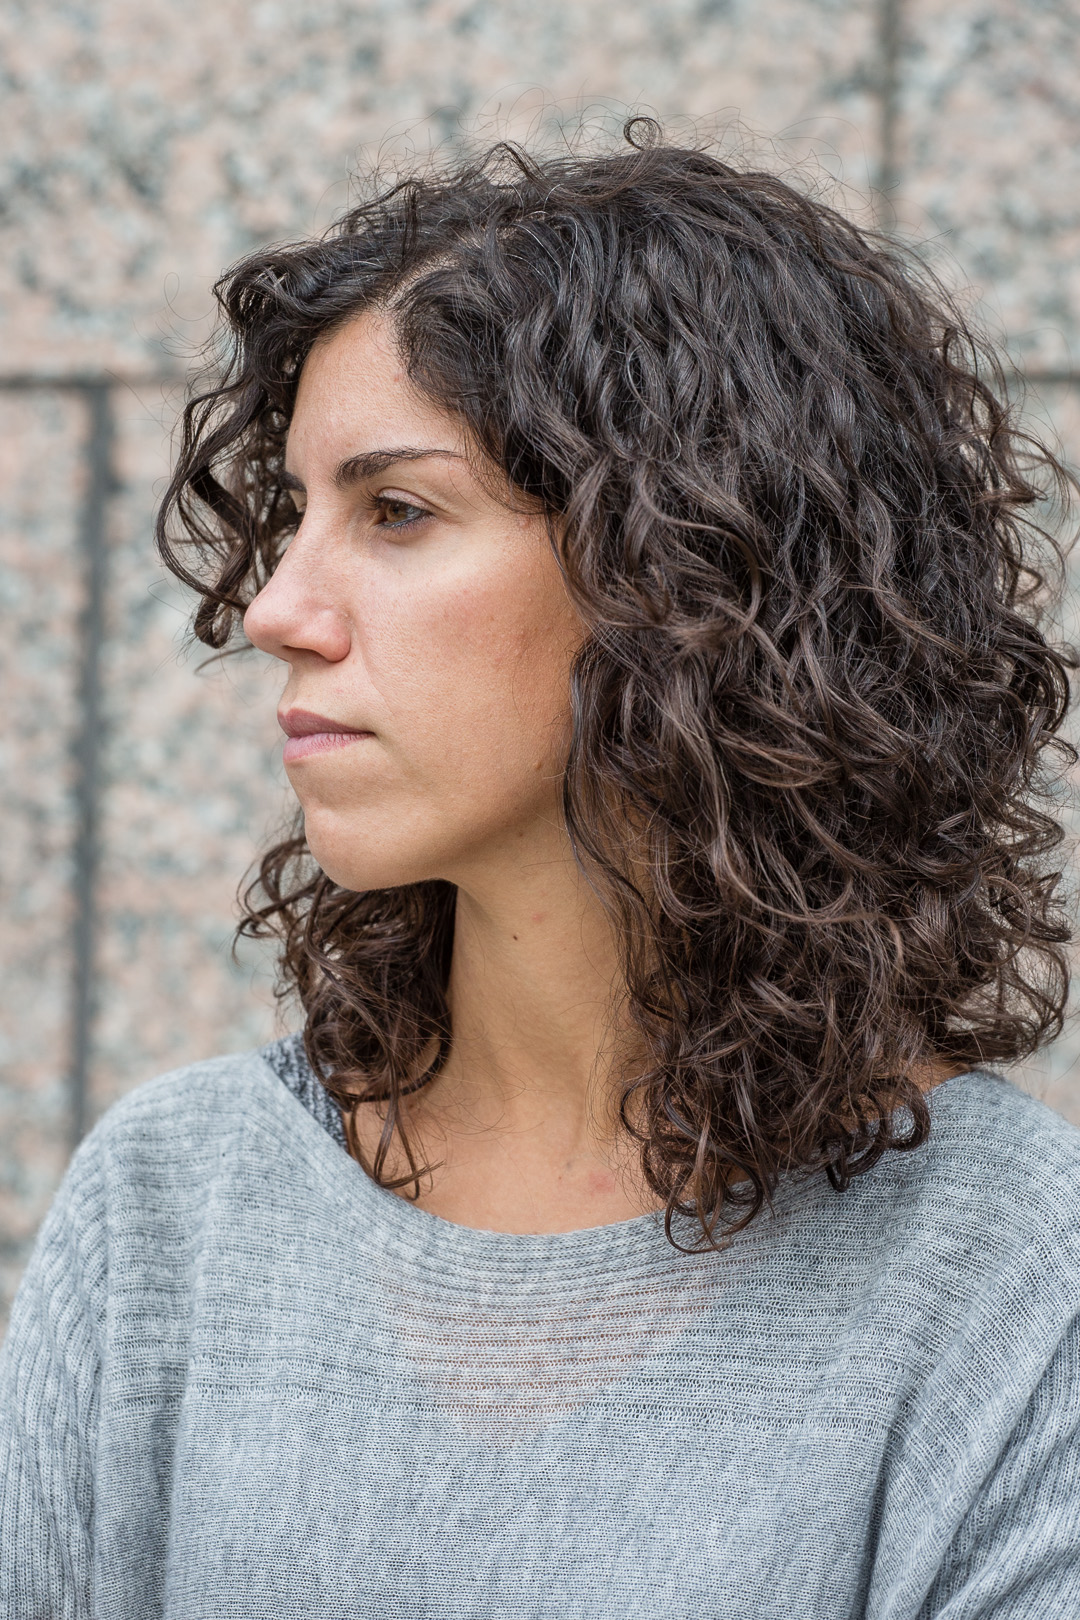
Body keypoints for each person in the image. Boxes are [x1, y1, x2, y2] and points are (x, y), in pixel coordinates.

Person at [2, 122, 1080, 1619]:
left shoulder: (1014, 1276)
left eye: (397, 510)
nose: (276, 608)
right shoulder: (172, 1205)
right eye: (297, 514)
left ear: (687, 570)